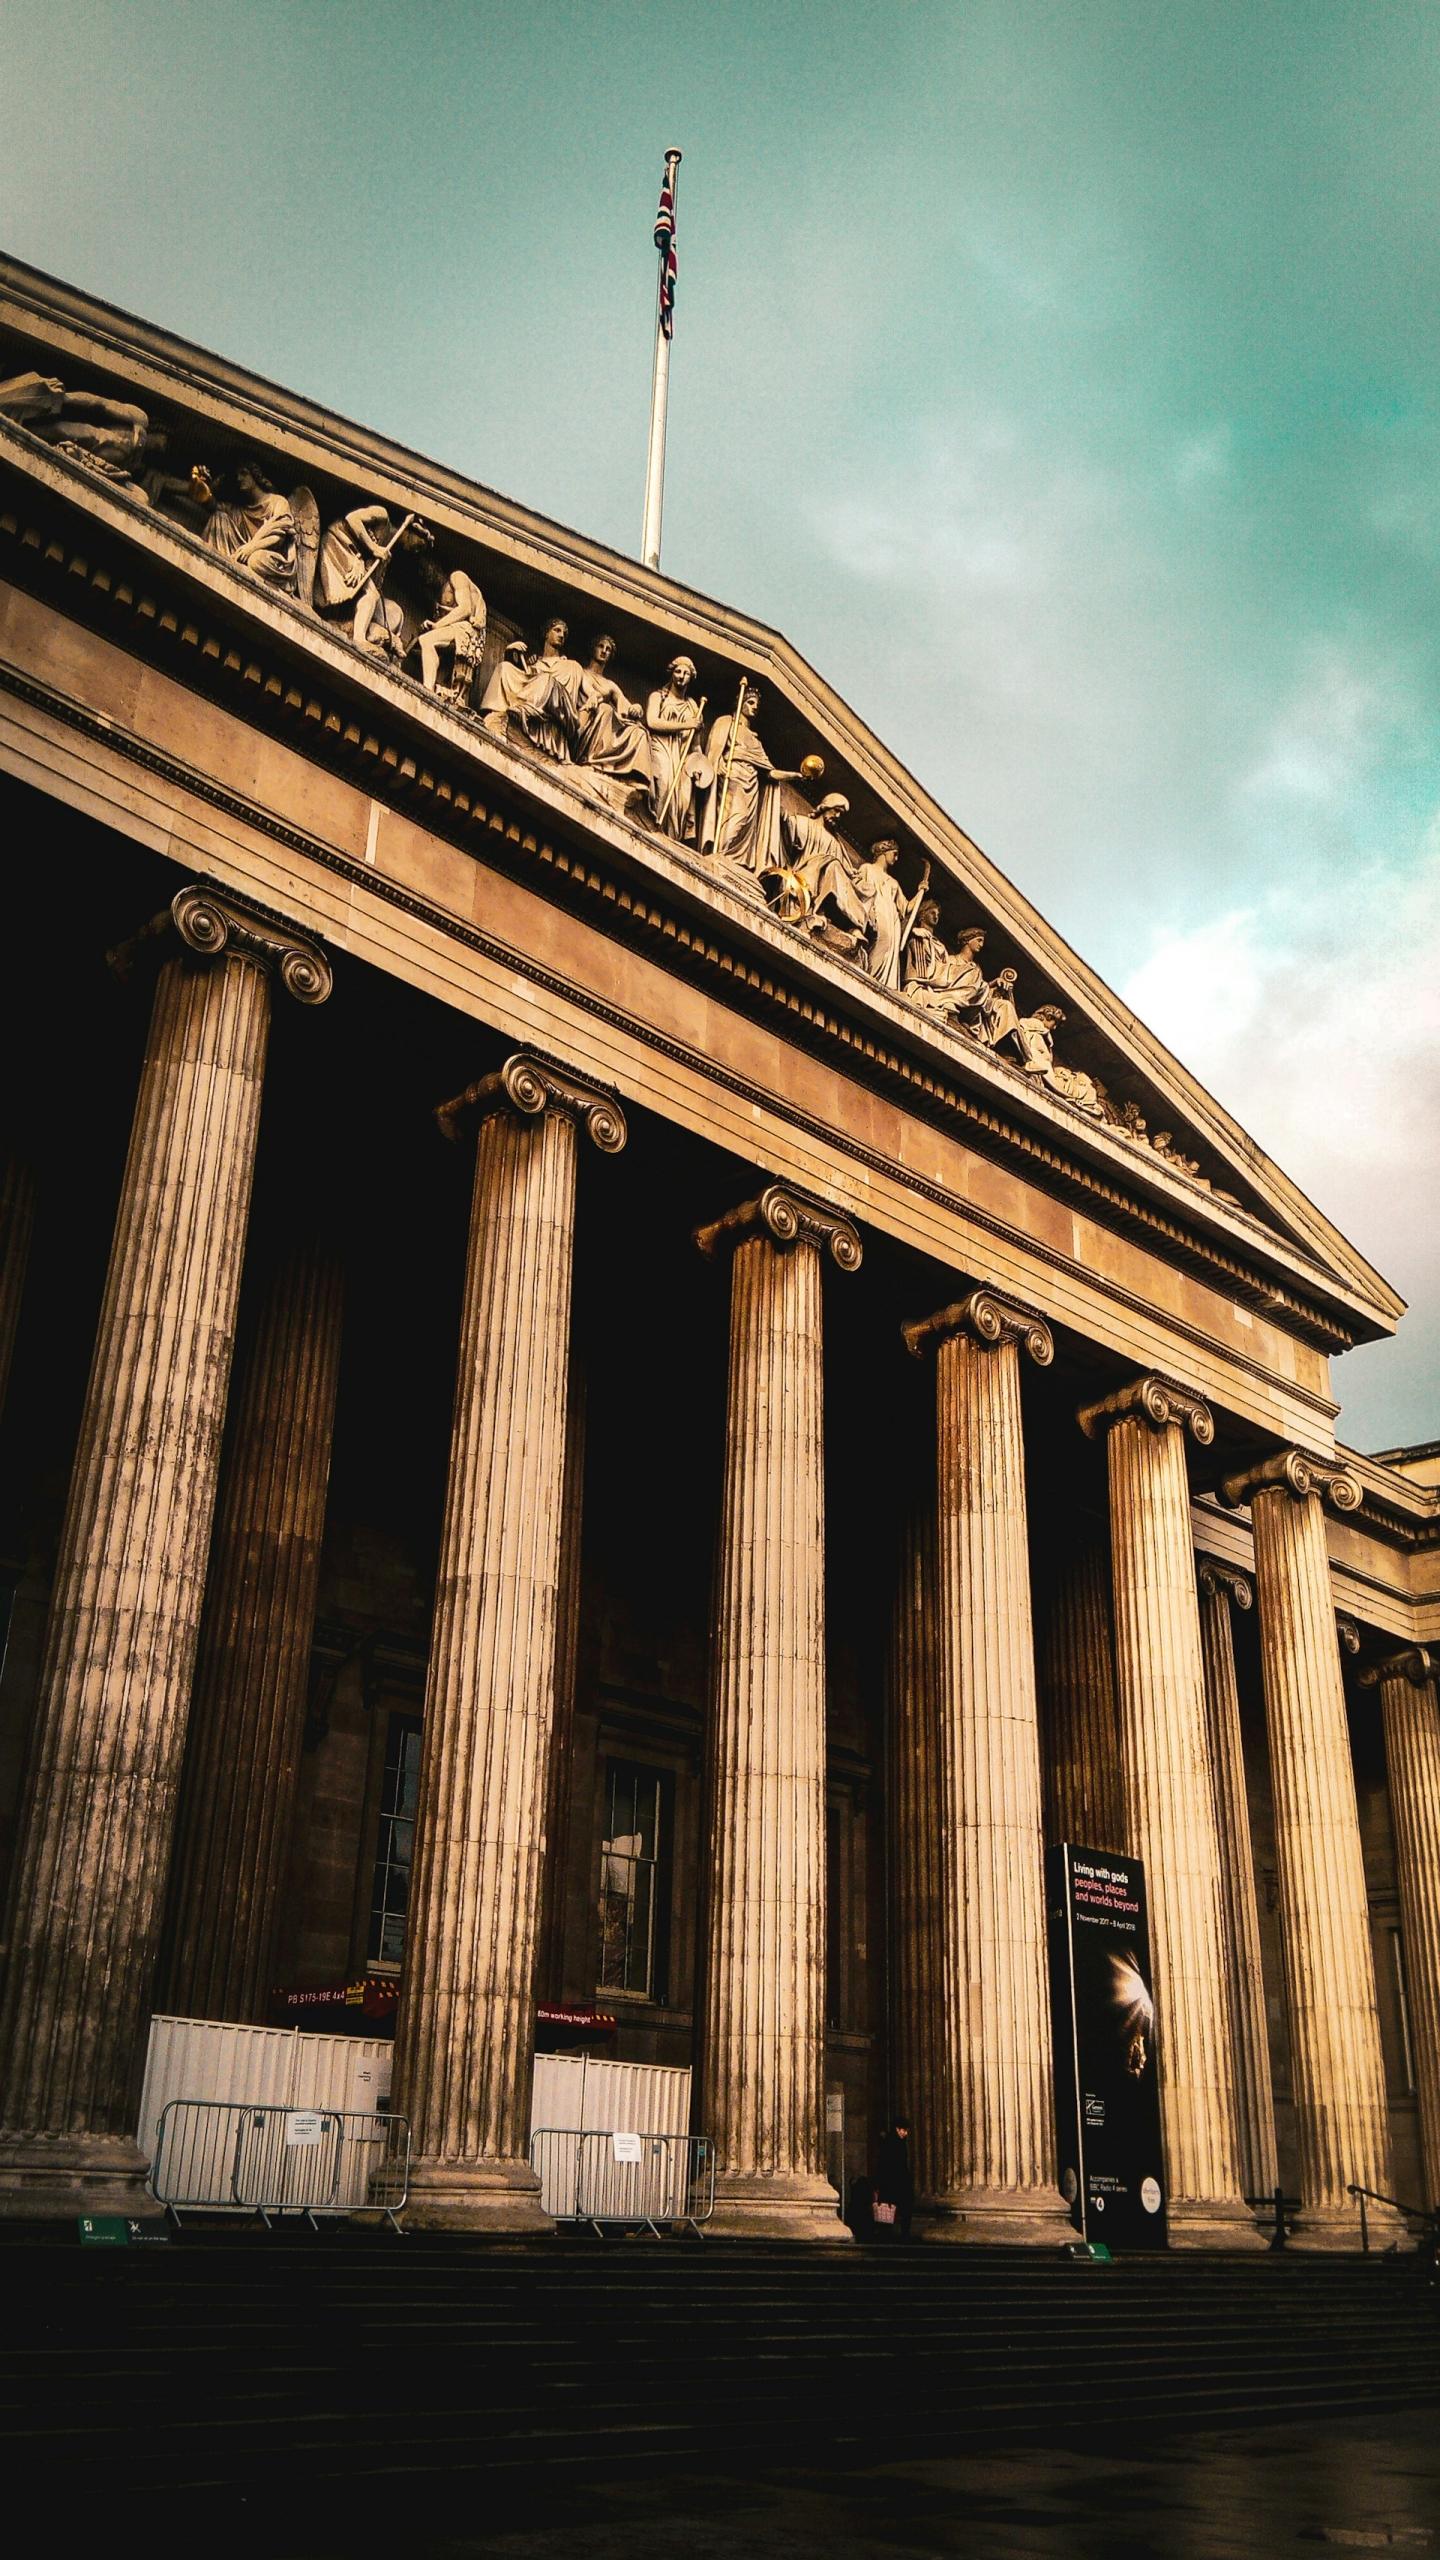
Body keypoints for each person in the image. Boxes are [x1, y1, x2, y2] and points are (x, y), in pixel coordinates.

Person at [696, 683, 802, 875]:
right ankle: (720, 853)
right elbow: (714, 751)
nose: (754, 707)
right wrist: (718, 765)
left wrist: (793, 775)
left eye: (756, 705)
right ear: (740, 703)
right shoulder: (726, 723)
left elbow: (770, 772)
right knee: (735, 817)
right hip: (732, 776)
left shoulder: (756, 741)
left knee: (744, 820)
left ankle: (731, 860)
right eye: (750, 702)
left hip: (751, 783)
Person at [645, 655, 706, 840]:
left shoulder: (693, 706)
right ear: (672, 674)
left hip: (681, 756)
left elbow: (695, 745)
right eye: (678, 671)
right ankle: (655, 830)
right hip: (660, 747)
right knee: (663, 785)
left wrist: (700, 767)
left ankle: (672, 838)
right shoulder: (658, 697)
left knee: (683, 800)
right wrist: (686, 725)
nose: (681, 676)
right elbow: (652, 721)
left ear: (691, 678)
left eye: (686, 673)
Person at [415, 565, 486, 703]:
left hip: (468, 628)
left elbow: (465, 609)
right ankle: (429, 687)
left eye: (428, 571)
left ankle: (427, 689)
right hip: (458, 627)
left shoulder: (457, 577)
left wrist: (436, 626)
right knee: (426, 640)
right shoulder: (440, 593)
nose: (428, 578)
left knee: (427, 641)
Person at [873, 2119, 915, 2240]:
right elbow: (884, 2164)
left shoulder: (896, 2143)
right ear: (897, 2129)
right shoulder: (893, 2143)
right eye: (904, 2130)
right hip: (893, 2181)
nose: (905, 2133)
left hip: (894, 2182)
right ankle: (899, 2233)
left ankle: (890, 2233)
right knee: (893, 2207)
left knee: (892, 2207)